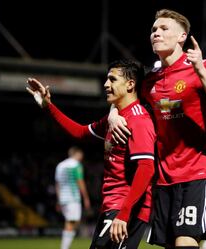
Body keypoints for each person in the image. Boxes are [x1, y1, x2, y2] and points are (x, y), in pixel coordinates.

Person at [108, 9, 206, 248]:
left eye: (164, 28)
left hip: (198, 172)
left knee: (185, 243)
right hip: (164, 178)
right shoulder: (149, 80)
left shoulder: (204, 66)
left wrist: (201, 71)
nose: (156, 33)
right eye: (154, 30)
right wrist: (114, 113)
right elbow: (123, 99)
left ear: (182, 36)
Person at [26, 59, 156, 249]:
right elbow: (79, 132)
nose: (106, 84)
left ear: (130, 84)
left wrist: (124, 213)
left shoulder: (138, 120)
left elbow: (146, 168)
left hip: (125, 209)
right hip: (113, 207)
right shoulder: (115, 119)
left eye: (112, 79)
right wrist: (48, 106)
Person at [55, 146, 91, 249]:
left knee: (71, 221)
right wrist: (86, 198)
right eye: (81, 155)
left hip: (63, 198)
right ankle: (64, 247)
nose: (82, 157)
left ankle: (65, 245)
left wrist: (58, 200)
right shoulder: (76, 165)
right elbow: (80, 181)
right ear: (77, 154)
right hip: (73, 197)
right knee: (72, 222)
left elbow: (57, 184)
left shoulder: (60, 165)